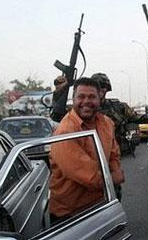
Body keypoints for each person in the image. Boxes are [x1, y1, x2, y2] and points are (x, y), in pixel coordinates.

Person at [49, 77, 124, 220]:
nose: (86, 101)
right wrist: (115, 177)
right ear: (73, 99)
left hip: (104, 202)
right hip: (72, 214)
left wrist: (115, 170)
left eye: (91, 97)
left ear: (99, 98)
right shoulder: (65, 131)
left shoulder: (106, 123)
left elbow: (114, 154)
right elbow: (90, 177)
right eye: (81, 97)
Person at [91, 73, 138, 156]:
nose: (100, 90)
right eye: (96, 86)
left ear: (107, 89)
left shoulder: (119, 107)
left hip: (115, 153)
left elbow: (136, 119)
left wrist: (133, 132)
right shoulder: (83, 108)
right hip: (90, 154)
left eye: (102, 86)